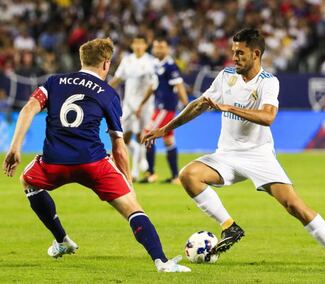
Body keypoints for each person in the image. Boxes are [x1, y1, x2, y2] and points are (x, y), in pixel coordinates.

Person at [142, 28, 325, 266]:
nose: (234, 57)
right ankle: (229, 227)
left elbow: (268, 117)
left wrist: (228, 108)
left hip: (258, 155)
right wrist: (166, 128)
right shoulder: (226, 76)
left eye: (240, 53)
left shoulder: (268, 82)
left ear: (256, 54)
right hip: (226, 155)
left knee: (293, 205)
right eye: (233, 52)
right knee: (189, 175)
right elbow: (199, 104)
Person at [2, 38, 190, 273]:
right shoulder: (108, 93)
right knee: (133, 208)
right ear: (106, 64)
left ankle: (62, 241)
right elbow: (118, 145)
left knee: (27, 180)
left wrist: (14, 147)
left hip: (54, 162)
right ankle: (161, 262)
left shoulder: (54, 82)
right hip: (93, 163)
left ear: (82, 60)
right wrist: (127, 182)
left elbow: (29, 107)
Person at [136, 36, 188, 184]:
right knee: (168, 140)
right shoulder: (155, 64)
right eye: (156, 47)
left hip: (166, 108)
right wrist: (141, 104)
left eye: (161, 47)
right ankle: (175, 177)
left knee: (147, 134)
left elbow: (179, 86)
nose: (158, 49)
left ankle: (150, 173)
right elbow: (153, 87)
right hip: (158, 107)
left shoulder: (171, 65)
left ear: (167, 49)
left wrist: (186, 105)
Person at [109, 35, 155, 181]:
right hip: (128, 104)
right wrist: (103, 90)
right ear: (133, 45)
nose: (138, 46)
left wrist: (141, 105)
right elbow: (118, 78)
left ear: (145, 46)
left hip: (145, 106)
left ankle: (134, 172)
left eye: (141, 43)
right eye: (136, 43)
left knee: (141, 135)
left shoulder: (150, 62)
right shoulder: (127, 60)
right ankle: (140, 157)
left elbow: (152, 86)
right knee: (125, 137)